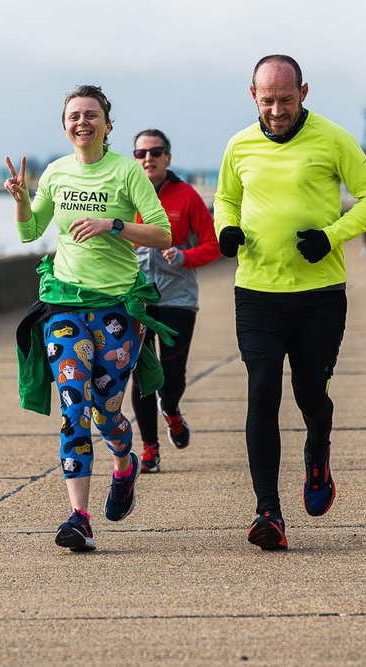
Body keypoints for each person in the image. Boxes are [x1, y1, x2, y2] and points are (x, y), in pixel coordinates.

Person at [214, 55, 366, 550]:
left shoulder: (333, 139)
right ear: (253, 96)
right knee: (262, 391)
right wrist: (224, 229)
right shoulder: (239, 144)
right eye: (267, 100)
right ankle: (267, 511)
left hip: (319, 296)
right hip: (257, 293)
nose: (276, 110)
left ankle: (318, 450)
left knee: (311, 391)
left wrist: (331, 237)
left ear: (304, 93)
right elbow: (225, 198)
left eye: (285, 100)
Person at [6, 85, 173, 553]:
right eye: (74, 115)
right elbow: (30, 231)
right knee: (73, 405)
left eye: (91, 114)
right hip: (63, 303)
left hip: (118, 307)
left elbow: (163, 233)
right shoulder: (56, 173)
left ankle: (124, 464)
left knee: (106, 410)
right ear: (65, 125)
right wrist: (21, 200)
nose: (82, 122)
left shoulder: (126, 172)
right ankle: (79, 517)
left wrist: (114, 225)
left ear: (107, 123)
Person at [129, 129, 221, 474]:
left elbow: (213, 245)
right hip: (136, 298)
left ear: (168, 157)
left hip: (178, 298)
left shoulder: (187, 197)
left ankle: (172, 409)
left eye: (155, 152)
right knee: (141, 375)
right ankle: (149, 450)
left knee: (171, 375)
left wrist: (183, 256)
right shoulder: (126, 195)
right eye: (140, 153)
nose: (147, 158)